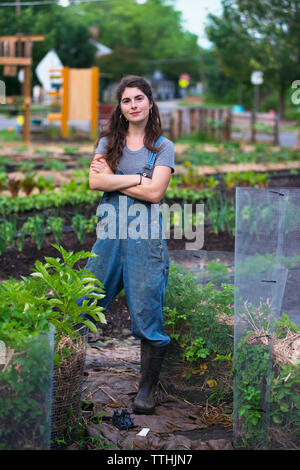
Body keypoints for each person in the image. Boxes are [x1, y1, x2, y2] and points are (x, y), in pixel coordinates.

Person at [80, 75, 175, 415]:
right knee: (81, 305)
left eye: (139, 98)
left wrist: (114, 180)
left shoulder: (163, 147)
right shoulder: (107, 141)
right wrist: (137, 178)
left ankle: (146, 391)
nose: (133, 105)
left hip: (145, 242)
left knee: (147, 313)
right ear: (119, 107)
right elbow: (94, 181)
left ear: (150, 102)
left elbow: (155, 193)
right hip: (108, 239)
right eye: (126, 100)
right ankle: (63, 380)